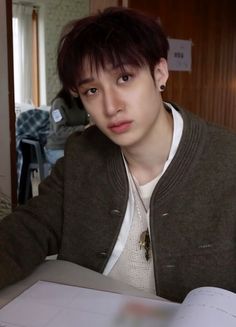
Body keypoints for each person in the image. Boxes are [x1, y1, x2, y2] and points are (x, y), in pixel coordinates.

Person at [0, 7, 236, 303]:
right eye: (92, 91)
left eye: (124, 78)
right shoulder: (82, 155)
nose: (111, 107)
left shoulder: (227, 160)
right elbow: (28, 228)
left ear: (160, 72)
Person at [45, 88, 89, 165]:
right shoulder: (58, 104)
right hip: (58, 148)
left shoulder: (81, 103)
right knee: (75, 164)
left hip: (76, 146)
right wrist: (83, 128)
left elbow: (87, 123)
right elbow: (60, 131)